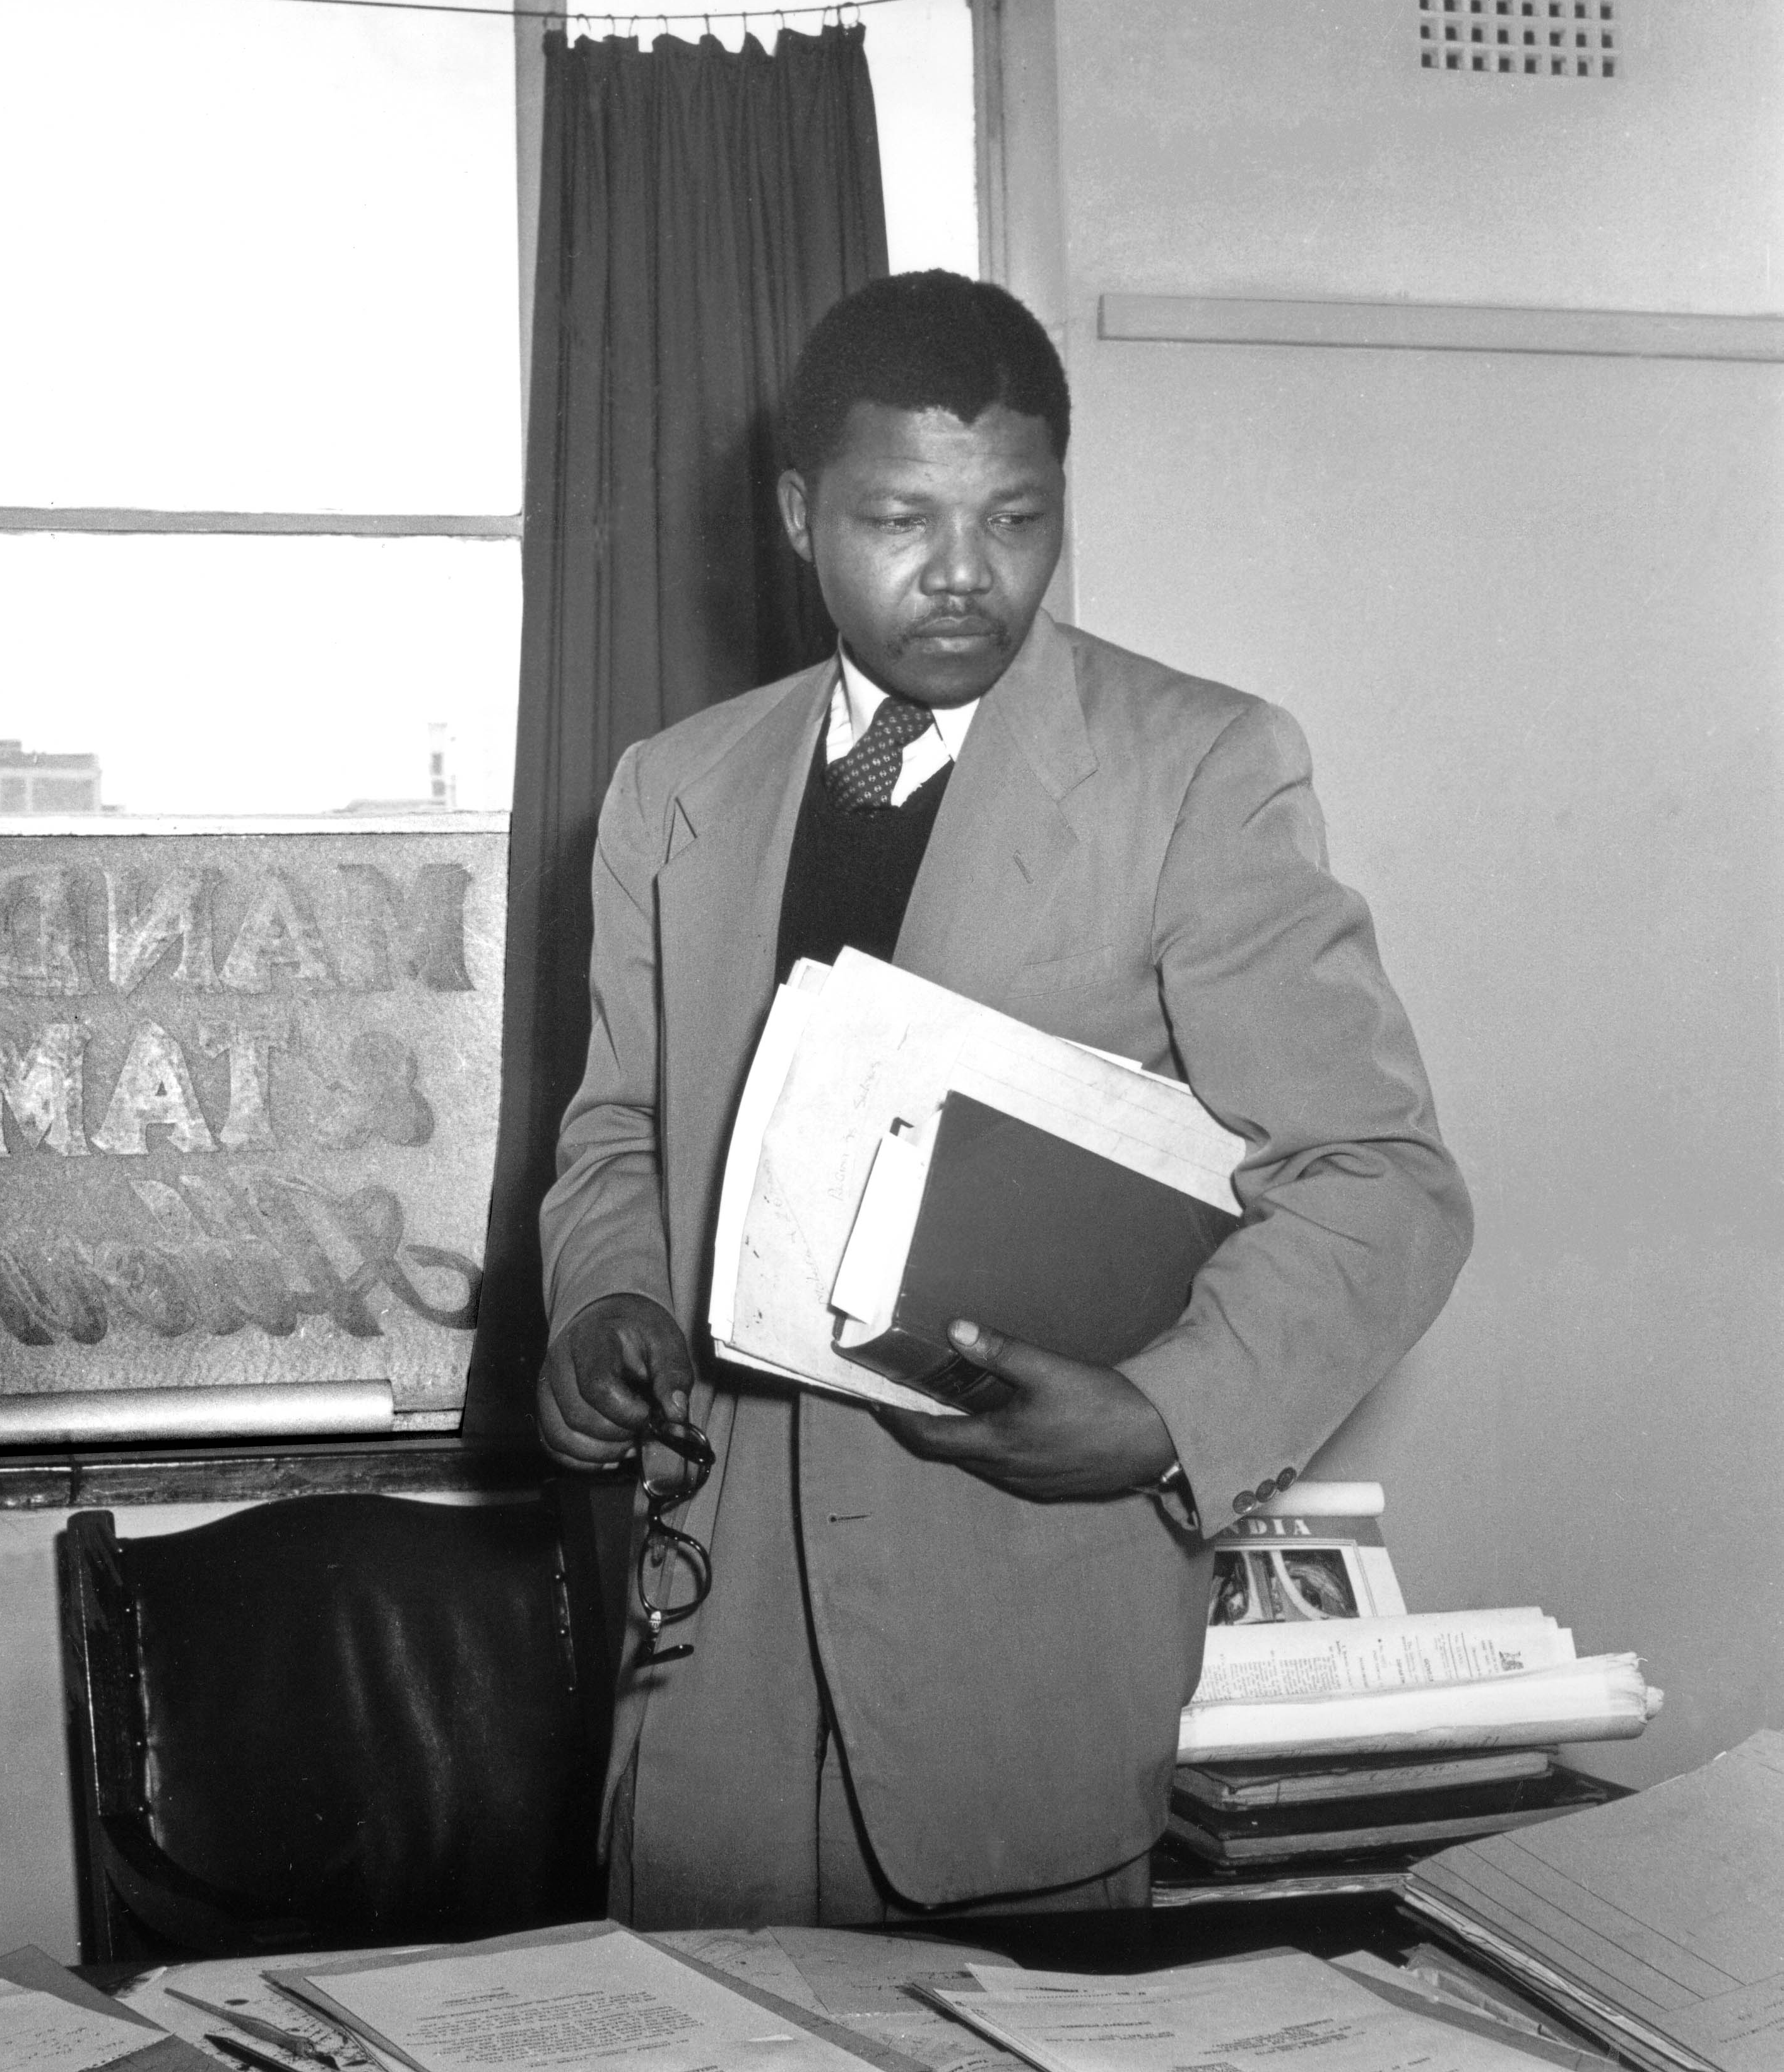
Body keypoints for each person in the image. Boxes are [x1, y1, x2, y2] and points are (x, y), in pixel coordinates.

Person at [535, 270, 1472, 1928]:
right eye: (903, 518)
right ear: (799, 516)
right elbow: (621, 1126)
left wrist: (1173, 1414)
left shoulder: (1202, 768)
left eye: (1017, 519)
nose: (966, 575)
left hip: (1015, 1679)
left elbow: (1379, 1181)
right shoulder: (669, 792)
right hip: (710, 1675)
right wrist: (606, 1297)